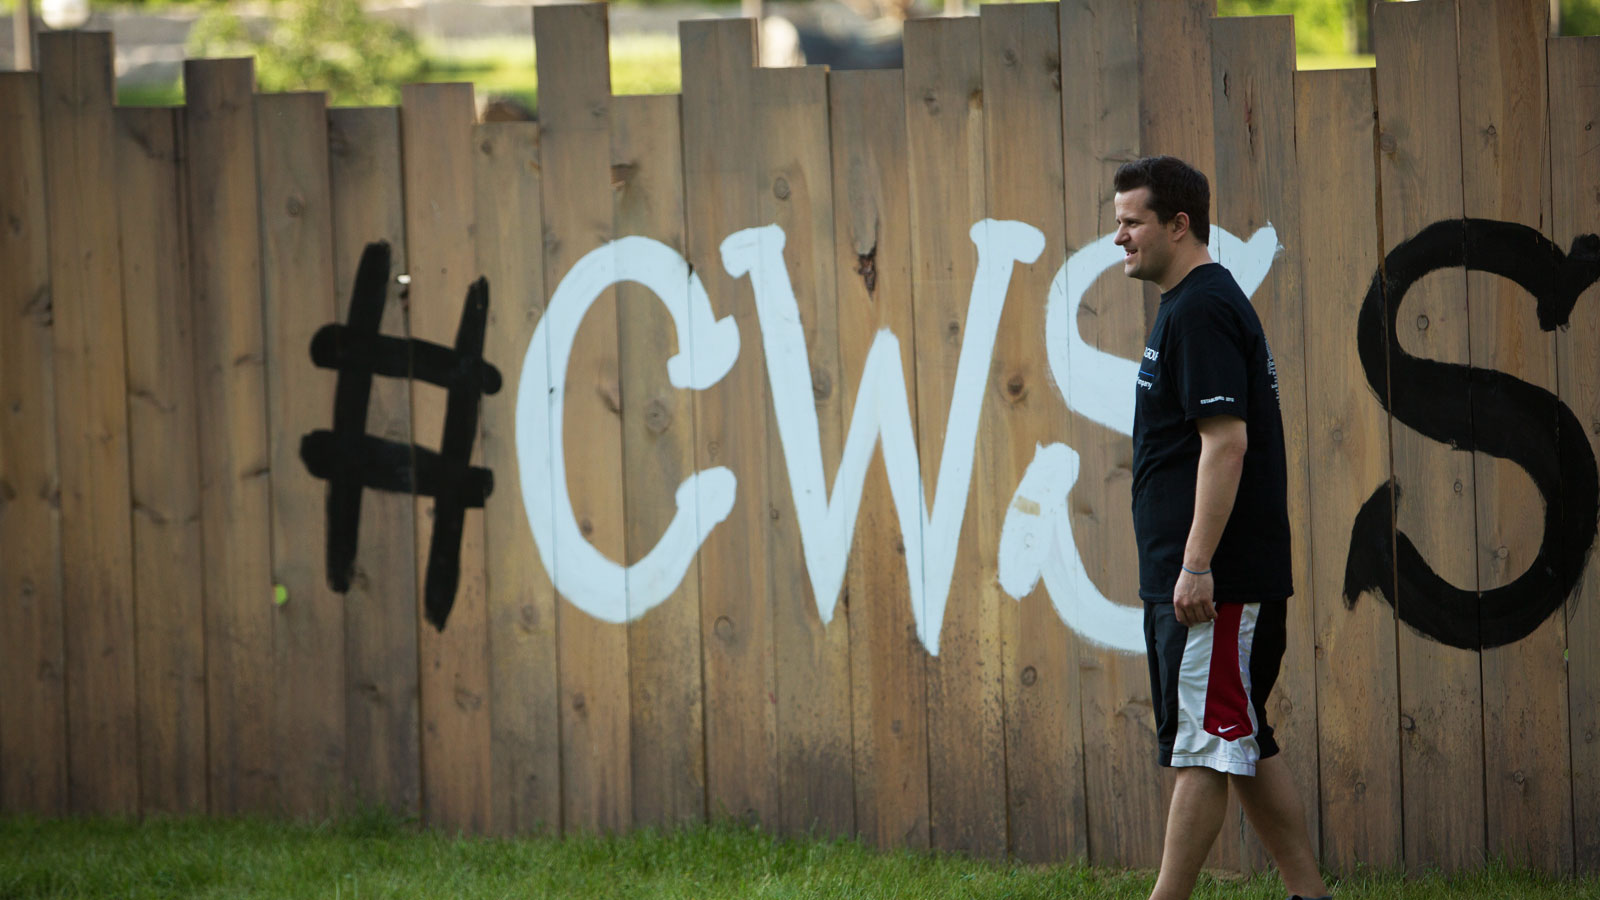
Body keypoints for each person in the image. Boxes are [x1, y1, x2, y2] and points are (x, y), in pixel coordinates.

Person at [1114, 155, 1330, 900]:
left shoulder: (1203, 307)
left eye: (1132, 221)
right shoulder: (1186, 304)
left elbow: (1226, 442)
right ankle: (1311, 893)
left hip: (1219, 581)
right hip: (1202, 578)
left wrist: (1198, 563)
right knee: (1239, 736)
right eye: (1118, 222)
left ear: (1180, 224)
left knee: (1206, 749)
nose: (1120, 238)